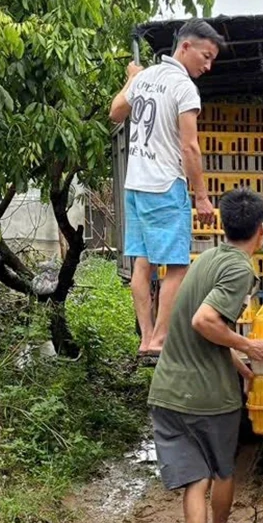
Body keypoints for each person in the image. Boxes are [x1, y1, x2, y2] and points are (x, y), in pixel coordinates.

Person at [147, 187, 263, 523]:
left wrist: (236, 363)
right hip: (207, 397)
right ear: (262, 230)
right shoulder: (240, 269)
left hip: (168, 390)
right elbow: (206, 321)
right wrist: (249, 347)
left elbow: (196, 326)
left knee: (193, 477)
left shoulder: (206, 260)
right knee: (221, 470)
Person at [109, 18, 224, 362]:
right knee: (177, 266)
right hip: (164, 185)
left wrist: (131, 79)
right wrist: (201, 196)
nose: (208, 65)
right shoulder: (183, 87)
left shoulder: (145, 77)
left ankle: (145, 338)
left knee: (142, 263)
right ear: (185, 47)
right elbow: (190, 147)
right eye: (205, 56)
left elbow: (116, 112)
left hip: (135, 184)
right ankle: (160, 338)